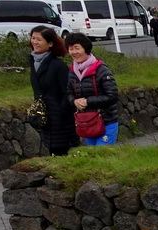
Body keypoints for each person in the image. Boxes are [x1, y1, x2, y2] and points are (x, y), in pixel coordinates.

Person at [28, 26, 78, 156]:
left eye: (39, 39)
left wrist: (61, 111)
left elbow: (67, 93)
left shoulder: (58, 66)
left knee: (61, 153)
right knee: (52, 153)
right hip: (45, 117)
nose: (35, 42)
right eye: (33, 38)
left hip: (61, 120)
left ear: (50, 43)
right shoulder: (33, 62)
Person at [65, 32, 120, 146]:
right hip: (86, 122)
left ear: (86, 48)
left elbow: (112, 96)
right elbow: (69, 93)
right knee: (93, 157)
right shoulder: (72, 71)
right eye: (71, 49)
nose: (74, 52)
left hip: (106, 121)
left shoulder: (101, 70)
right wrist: (74, 101)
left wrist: (87, 101)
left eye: (77, 48)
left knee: (103, 156)